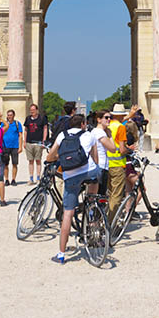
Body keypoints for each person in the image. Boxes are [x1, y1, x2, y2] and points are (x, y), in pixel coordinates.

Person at [46, 113, 99, 264]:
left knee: (68, 213)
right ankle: (91, 209)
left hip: (70, 176)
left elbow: (50, 157)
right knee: (94, 185)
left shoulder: (62, 136)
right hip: (89, 172)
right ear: (83, 124)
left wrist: (59, 158)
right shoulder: (89, 135)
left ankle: (61, 254)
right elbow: (95, 159)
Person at [107, 104, 132, 223]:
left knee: (108, 195)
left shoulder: (107, 126)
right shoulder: (121, 128)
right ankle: (110, 223)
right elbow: (122, 149)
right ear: (122, 115)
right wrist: (129, 149)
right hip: (117, 165)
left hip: (105, 165)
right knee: (116, 197)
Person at [91, 109, 117, 194]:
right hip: (102, 166)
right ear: (99, 119)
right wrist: (110, 135)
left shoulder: (94, 131)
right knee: (100, 195)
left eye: (110, 117)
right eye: (106, 117)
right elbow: (112, 149)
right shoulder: (100, 133)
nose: (109, 119)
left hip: (97, 165)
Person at [23, 103, 48, 185]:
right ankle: (31, 178)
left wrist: (44, 140)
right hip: (29, 142)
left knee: (38, 160)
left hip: (38, 142)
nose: (32, 111)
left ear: (37, 110)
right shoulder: (28, 119)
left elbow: (45, 129)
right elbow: (26, 130)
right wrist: (24, 141)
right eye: (31, 110)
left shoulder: (42, 118)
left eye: (33, 110)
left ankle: (38, 177)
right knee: (30, 161)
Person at [3, 109, 23, 186]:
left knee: (14, 164)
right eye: (8, 115)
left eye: (11, 115)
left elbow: (20, 136)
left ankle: (13, 179)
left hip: (15, 146)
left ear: (14, 115)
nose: (9, 116)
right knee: (5, 164)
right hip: (5, 146)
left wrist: (20, 147)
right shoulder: (3, 124)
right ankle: (6, 179)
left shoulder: (17, 124)